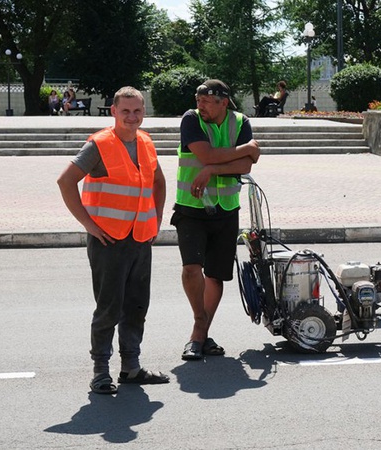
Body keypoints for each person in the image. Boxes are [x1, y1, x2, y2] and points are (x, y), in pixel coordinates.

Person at [57, 86, 169, 394]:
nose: (132, 117)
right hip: (108, 240)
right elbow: (65, 181)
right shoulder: (100, 144)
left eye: (137, 111)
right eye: (126, 111)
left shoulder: (146, 142)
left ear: (144, 112)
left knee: (135, 306)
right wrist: (88, 225)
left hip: (140, 238)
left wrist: (156, 219)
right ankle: (100, 372)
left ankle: (131, 368)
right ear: (114, 112)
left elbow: (158, 182)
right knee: (109, 308)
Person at [173, 79, 260, 360]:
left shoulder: (240, 122)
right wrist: (243, 150)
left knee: (216, 275)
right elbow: (210, 154)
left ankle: (199, 336)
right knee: (191, 269)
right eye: (198, 100)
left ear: (224, 102)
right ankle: (200, 328)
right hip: (192, 207)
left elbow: (246, 166)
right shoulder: (191, 119)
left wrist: (211, 168)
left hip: (226, 209)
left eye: (206, 101)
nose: (200, 105)